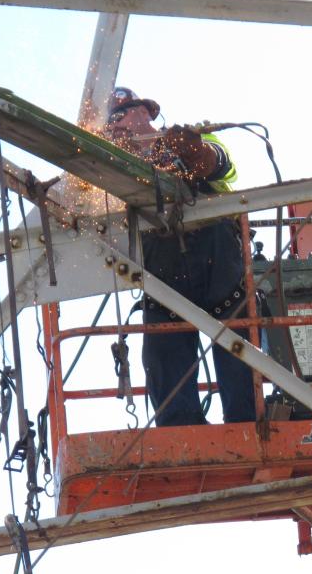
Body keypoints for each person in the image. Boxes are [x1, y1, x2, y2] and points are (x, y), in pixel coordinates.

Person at [105, 87, 256, 426]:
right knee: (164, 364)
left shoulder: (183, 144)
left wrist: (199, 154)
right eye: (115, 118)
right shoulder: (116, 169)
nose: (123, 123)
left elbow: (223, 165)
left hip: (221, 273)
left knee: (243, 361)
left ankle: (249, 426)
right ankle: (183, 433)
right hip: (164, 284)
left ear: (147, 112)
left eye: (127, 113)